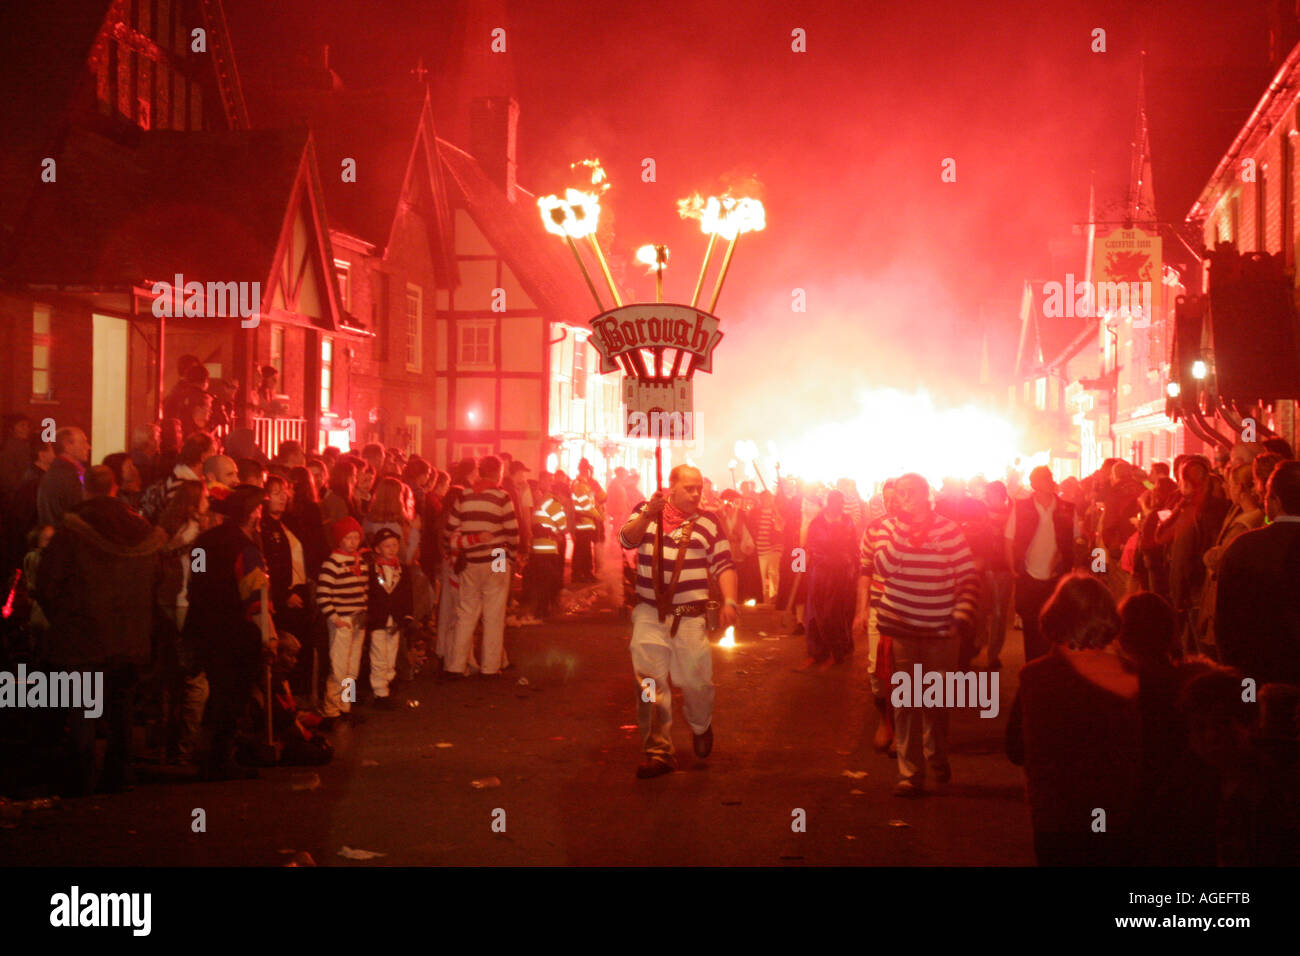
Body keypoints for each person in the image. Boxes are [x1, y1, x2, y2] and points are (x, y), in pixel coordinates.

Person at [37, 464, 167, 794]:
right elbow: (158, 581)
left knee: (83, 704)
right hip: (130, 635)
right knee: (122, 703)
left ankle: (83, 774)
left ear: (86, 488)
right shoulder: (142, 528)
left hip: (83, 632)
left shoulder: (71, 530)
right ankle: (119, 771)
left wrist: (61, 619)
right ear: (115, 489)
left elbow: (48, 583)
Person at [1005, 573, 1140, 864]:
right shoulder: (1132, 675)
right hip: (1116, 809)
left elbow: (1015, 748)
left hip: (1057, 813)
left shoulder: (1035, 677)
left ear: (1055, 618)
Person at [619, 465, 737, 779]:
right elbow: (627, 540)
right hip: (648, 614)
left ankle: (701, 725)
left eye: (699, 488)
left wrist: (730, 600)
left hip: (690, 618)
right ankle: (658, 752)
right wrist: (648, 514)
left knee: (697, 684)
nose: (696, 494)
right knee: (649, 683)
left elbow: (724, 563)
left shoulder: (709, 522)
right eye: (689, 488)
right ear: (672, 486)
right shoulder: (646, 511)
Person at [868, 473, 978, 796]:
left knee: (937, 700)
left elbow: (968, 575)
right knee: (905, 701)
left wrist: (959, 616)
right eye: (901, 493)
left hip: (940, 630)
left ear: (925, 494)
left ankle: (936, 754)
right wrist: (902, 529)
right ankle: (910, 772)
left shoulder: (948, 530)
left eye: (911, 492)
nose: (905, 498)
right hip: (902, 629)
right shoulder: (888, 529)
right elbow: (882, 567)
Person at [183, 485, 277, 779]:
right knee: (232, 696)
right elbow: (255, 598)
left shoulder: (203, 542)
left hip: (203, 625)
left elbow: (194, 582)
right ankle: (220, 758)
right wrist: (268, 635)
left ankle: (207, 752)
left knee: (215, 693)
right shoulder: (245, 549)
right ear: (252, 513)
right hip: (236, 632)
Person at [1215, 460, 1300, 686]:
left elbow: (1226, 620)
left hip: (1257, 669)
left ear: (1276, 501)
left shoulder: (1245, 547)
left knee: (1257, 715)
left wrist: (1237, 677)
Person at [444, 455, 519, 677]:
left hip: (471, 558)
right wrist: (512, 557)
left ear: (479, 472)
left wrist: (455, 550)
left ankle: (456, 665)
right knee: (494, 614)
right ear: (499, 473)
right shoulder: (502, 497)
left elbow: (450, 528)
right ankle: (490, 666)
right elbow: (512, 532)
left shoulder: (464, 496)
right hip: (496, 555)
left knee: (466, 613)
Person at [1157, 457, 1230, 657]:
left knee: (1199, 650)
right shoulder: (1220, 505)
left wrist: (1178, 596)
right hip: (1202, 586)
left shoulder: (1193, 509)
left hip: (1194, 587)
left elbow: (1181, 554)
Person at [1003, 465, 1076, 665]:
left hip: (1055, 576)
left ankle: (1049, 666)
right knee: (1031, 625)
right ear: (1035, 484)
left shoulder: (1066, 508)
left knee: (1052, 625)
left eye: (1051, 477)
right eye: (1046, 478)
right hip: (1028, 575)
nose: (1051, 481)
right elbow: (1009, 539)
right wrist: (1012, 568)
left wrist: (1089, 567)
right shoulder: (1021, 507)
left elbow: (1078, 541)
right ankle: (1033, 666)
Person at [853, 477, 900, 754]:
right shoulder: (873, 529)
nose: (892, 502)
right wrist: (861, 611)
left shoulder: (916, 527)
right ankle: (884, 721)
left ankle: (901, 729)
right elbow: (864, 572)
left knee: (902, 669)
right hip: (877, 608)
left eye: (897, 496)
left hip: (907, 610)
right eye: (887, 497)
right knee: (876, 671)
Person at [317, 517, 370, 728]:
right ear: (340, 540)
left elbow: (364, 591)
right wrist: (334, 618)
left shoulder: (360, 562)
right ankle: (331, 709)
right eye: (348, 537)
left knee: (352, 667)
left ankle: (346, 705)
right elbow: (323, 593)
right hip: (342, 621)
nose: (352, 541)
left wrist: (364, 611)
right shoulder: (333, 562)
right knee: (339, 666)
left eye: (356, 537)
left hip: (358, 620)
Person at [798, 489, 858, 669]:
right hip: (819, 573)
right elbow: (804, 544)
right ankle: (816, 652)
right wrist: (798, 568)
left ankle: (837, 652)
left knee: (835, 614)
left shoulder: (847, 522)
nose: (837, 506)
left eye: (839, 503)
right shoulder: (816, 522)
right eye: (833, 502)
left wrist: (856, 567)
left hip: (841, 574)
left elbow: (854, 547)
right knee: (814, 613)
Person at [367, 528, 415, 707]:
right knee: (379, 654)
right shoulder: (372, 570)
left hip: (395, 619)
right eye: (387, 546)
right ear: (378, 549)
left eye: (395, 545)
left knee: (391, 652)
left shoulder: (402, 570)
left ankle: (388, 681)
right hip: (378, 618)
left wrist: (407, 615)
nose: (392, 549)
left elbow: (407, 594)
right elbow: (369, 594)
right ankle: (380, 691)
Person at [36, 426, 89, 527]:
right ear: (67, 446)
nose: (88, 446)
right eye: (83, 442)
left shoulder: (57, 472)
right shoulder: (68, 475)